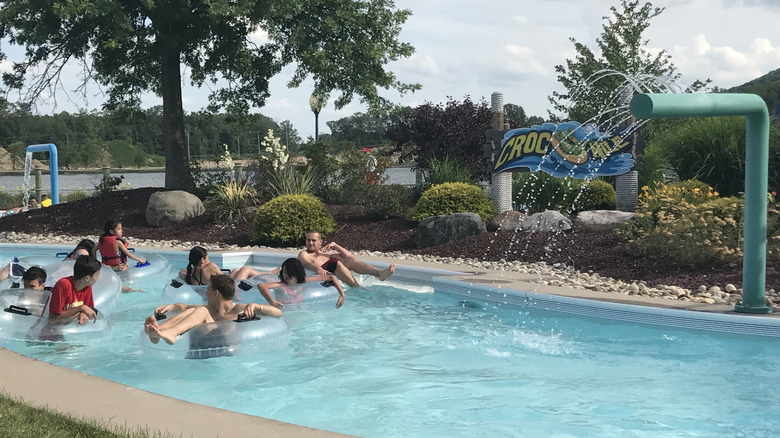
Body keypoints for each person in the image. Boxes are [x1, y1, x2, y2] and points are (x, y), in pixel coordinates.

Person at [143, 274, 283, 345]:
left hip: (225, 353)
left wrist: (257, 306)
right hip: (202, 351)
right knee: (195, 311)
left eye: (208, 289)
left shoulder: (239, 309)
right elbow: (185, 307)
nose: (205, 293)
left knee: (201, 311)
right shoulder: (209, 309)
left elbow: (278, 313)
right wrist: (172, 306)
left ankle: (171, 333)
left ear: (216, 293)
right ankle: (159, 331)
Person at [298, 230, 394, 288]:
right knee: (335, 262)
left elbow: (349, 257)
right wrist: (318, 268)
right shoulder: (304, 253)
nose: (310, 243)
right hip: (318, 278)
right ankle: (357, 287)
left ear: (320, 242)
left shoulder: (325, 254)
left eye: (313, 240)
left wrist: (334, 245)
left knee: (349, 260)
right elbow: (306, 263)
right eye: (308, 240)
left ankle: (378, 273)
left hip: (332, 274)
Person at [257, 258, 345, 309]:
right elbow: (261, 286)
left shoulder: (304, 282)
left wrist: (342, 295)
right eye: (285, 272)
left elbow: (331, 277)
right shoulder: (282, 285)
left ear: (297, 272)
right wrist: (272, 302)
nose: (287, 275)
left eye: (291, 272)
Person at [47, 256, 101, 325]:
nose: (98, 278)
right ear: (87, 278)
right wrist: (81, 308)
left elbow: (89, 309)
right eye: (97, 275)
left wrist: (83, 313)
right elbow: (53, 318)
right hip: (51, 330)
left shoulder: (87, 287)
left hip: (67, 327)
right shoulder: (63, 285)